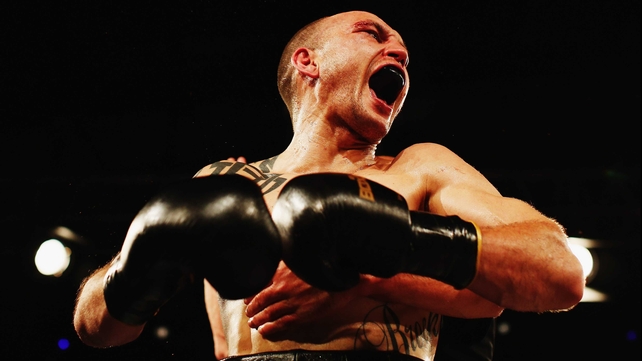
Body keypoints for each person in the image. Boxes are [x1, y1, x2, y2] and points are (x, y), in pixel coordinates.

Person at [73, 11, 585, 361]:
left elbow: (560, 273)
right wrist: (137, 263)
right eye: (372, 34)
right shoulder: (225, 183)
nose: (399, 53)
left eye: (404, 53)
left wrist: (370, 273)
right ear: (307, 61)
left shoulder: (418, 169)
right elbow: (97, 330)